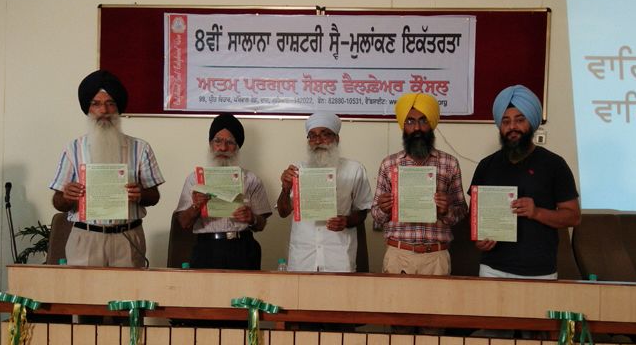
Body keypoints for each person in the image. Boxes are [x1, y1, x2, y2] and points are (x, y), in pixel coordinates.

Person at [50, 70, 165, 267]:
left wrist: (140, 194)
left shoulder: (140, 148)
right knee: (83, 288)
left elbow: (153, 196)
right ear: (88, 109)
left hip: (127, 237)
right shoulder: (73, 148)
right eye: (96, 103)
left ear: (118, 108)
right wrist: (68, 195)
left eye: (110, 103)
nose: (104, 110)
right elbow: (58, 202)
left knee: (129, 288)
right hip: (86, 238)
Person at [470, 85, 581, 279]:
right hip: (492, 269)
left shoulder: (554, 164)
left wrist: (536, 212)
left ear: (532, 122)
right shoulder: (486, 166)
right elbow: (474, 215)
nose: (512, 127)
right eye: (506, 121)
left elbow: (573, 217)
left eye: (520, 120)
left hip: (538, 272)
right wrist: (478, 240)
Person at [371, 93, 468, 276]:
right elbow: (376, 215)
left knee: (438, 297)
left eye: (423, 121)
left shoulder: (449, 163)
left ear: (431, 124)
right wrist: (383, 208)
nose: (417, 128)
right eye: (410, 121)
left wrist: (446, 210)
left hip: (436, 257)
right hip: (398, 255)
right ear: (403, 125)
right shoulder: (389, 164)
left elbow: (462, 211)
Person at [277, 112, 373, 272]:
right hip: (303, 258)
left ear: (337, 138)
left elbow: (362, 211)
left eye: (325, 134)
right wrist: (285, 188)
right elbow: (283, 212)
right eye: (312, 136)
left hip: (339, 257)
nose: (318, 141)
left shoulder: (354, 169)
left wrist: (346, 221)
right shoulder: (298, 170)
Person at [174, 113, 272, 270]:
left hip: (243, 248)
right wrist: (196, 206)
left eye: (230, 142)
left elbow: (261, 225)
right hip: (207, 249)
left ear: (237, 147)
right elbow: (183, 223)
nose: (223, 148)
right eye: (217, 141)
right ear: (210, 144)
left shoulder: (251, 179)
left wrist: (252, 218)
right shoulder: (195, 179)